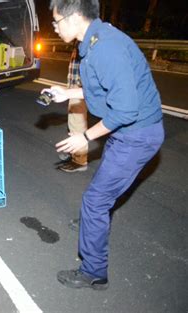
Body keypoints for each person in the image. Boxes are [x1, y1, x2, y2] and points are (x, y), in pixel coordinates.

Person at [43, 0, 164, 290]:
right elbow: (103, 87)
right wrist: (66, 92)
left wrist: (84, 137)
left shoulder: (105, 49)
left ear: (73, 18)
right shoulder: (98, 40)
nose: (55, 28)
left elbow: (124, 110)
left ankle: (93, 271)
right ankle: (92, 221)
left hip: (136, 134)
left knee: (95, 200)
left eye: (57, 21)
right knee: (100, 194)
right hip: (128, 132)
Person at [57, 42, 88, 172]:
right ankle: (75, 152)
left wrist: (76, 88)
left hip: (80, 88)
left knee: (77, 124)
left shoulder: (85, 40)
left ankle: (80, 161)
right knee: (74, 122)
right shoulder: (81, 39)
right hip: (75, 86)